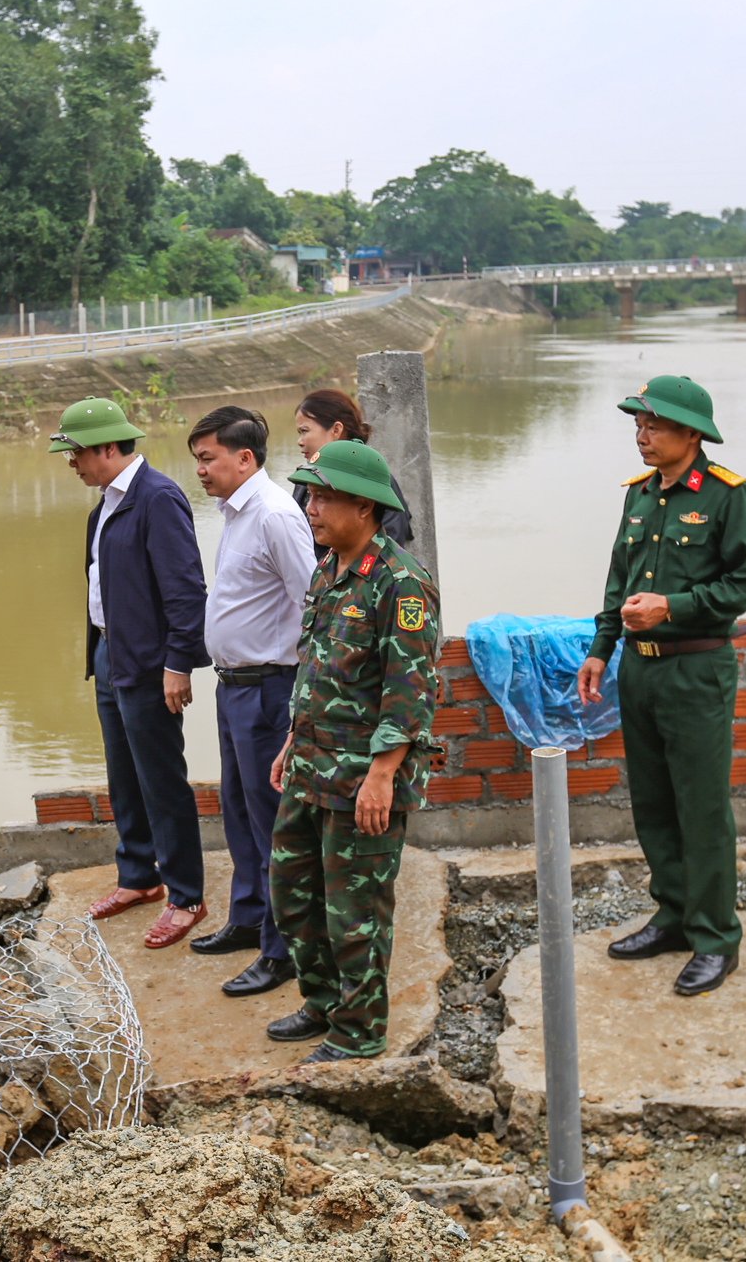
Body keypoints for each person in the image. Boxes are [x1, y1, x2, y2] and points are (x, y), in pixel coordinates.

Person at [577, 376, 746, 997]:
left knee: (702, 806)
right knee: (654, 801)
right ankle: (674, 916)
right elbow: (617, 582)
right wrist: (601, 651)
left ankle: (715, 938)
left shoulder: (726, 497)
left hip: (696, 667)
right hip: (641, 668)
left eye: (654, 426)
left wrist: (674, 606)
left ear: (691, 433)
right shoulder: (637, 497)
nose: (642, 435)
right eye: (638, 425)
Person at [265, 440, 440, 1062]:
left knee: (355, 912)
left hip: (362, 779)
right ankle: (322, 1001)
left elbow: (411, 690)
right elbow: (316, 670)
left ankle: (360, 1032)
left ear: (363, 506)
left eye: (323, 497)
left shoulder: (400, 583)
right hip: (312, 767)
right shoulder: (327, 569)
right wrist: (291, 741)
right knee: (292, 890)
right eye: (310, 496)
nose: (310, 508)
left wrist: (383, 775)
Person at [50, 397, 212, 948]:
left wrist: (177, 663)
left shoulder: (157, 499)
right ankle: (138, 877)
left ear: (106, 447)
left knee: (161, 779)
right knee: (123, 775)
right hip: (109, 654)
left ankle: (186, 894)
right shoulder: (105, 505)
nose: (71, 462)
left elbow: (187, 591)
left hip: (149, 662)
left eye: (74, 452)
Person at [186, 406, 318, 998]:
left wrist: (304, 702)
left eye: (208, 459)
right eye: (197, 460)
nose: (200, 471)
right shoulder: (235, 512)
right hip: (234, 685)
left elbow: (313, 604)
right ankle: (247, 918)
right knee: (238, 809)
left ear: (245, 458)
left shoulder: (274, 515)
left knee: (273, 823)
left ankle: (282, 949)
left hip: (270, 688)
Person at [290, 389, 413, 556]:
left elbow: (389, 544)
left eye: (304, 431)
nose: (300, 441)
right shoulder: (305, 480)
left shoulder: (371, 480)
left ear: (336, 430)